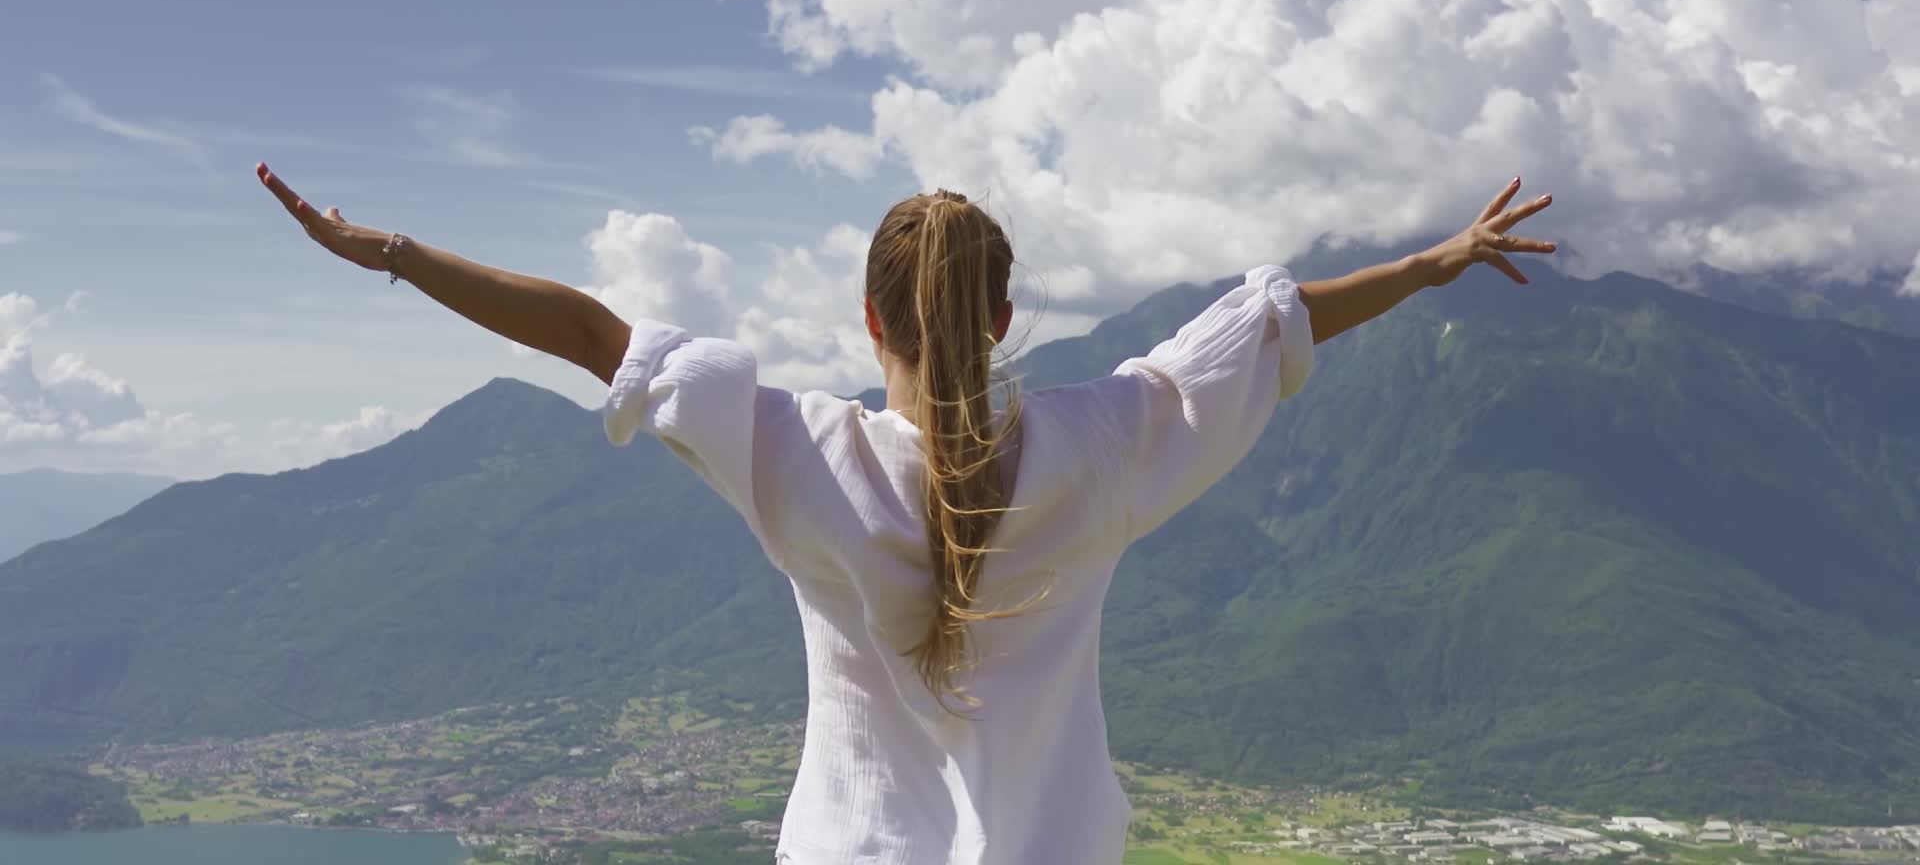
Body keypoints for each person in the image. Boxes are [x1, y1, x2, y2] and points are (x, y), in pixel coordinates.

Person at [257, 162, 1554, 864]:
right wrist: (1435, 262)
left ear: (871, 320)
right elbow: (1269, 324)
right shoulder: (1106, 445)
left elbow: (596, 334)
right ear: (1001, 320)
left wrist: (395, 255)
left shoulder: (798, 457)